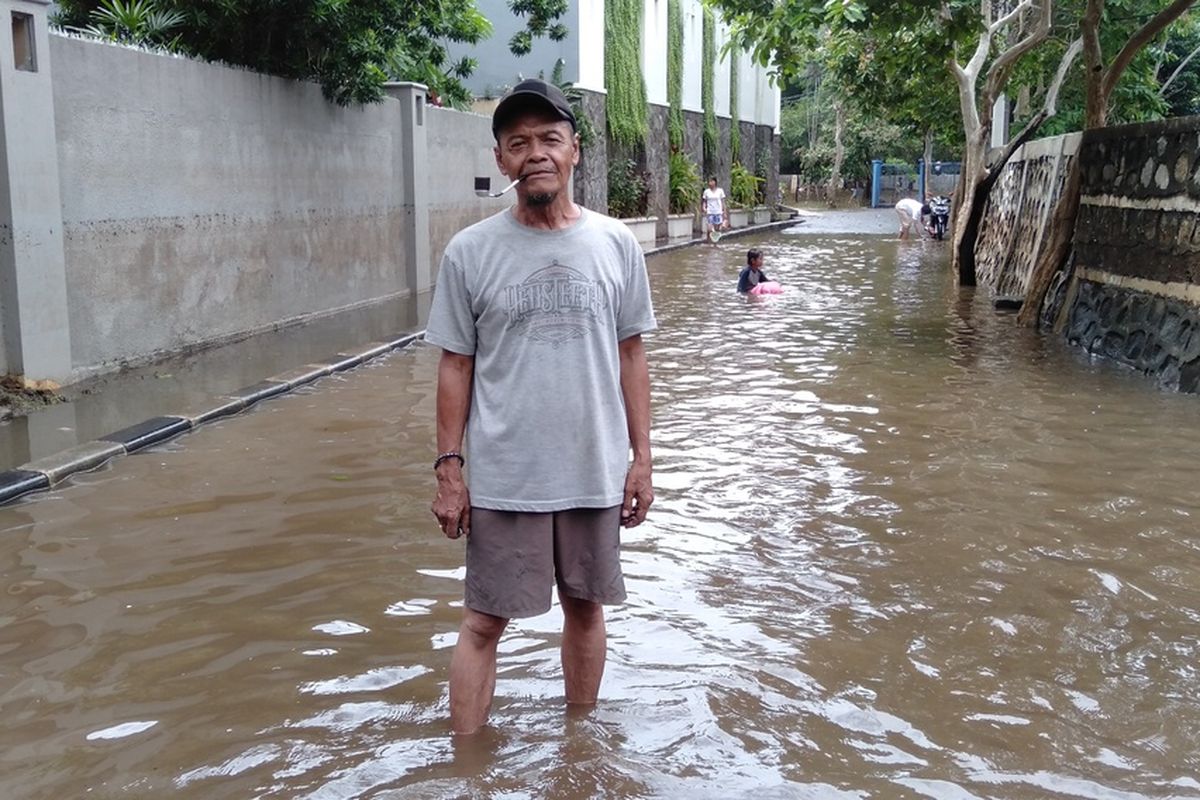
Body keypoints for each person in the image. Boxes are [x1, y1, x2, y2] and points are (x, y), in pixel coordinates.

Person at [425, 78, 657, 736]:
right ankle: (466, 765)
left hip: (593, 471)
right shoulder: (470, 252)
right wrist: (449, 471)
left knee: (586, 609)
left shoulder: (615, 244)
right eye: (518, 142)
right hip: (506, 477)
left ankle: (578, 753)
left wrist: (642, 460)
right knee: (481, 623)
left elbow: (632, 356)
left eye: (549, 139)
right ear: (500, 159)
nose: (535, 153)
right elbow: (455, 365)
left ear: (574, 151)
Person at [701, 176, 729, 242]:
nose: (710, 183)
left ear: (715, 182)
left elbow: (723, 202)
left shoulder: (720, 191)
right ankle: (708, 240)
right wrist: (704, 207)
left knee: (717, 229)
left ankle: (715, 242)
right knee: (709, 228)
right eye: (709, 181)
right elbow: (704, 201)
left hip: (718, 212)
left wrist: (724, 212)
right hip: (710, 211)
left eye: (711, 181)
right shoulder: (706, 191)